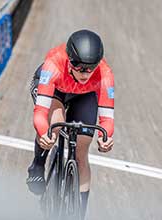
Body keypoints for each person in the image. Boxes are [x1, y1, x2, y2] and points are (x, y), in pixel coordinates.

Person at [27, 29, 114, 219]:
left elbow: (107, 120)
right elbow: (40, 114)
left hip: (82, 95)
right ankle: (38, 164)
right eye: (79, 67)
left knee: (82, 152)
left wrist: (104, 138)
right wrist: (44, 133)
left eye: (90, 68)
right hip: (55, 90)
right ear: (70, 60)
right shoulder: (53, 65)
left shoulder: (105, 74)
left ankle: (80, 213)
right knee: (56, 123)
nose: (85, 73)